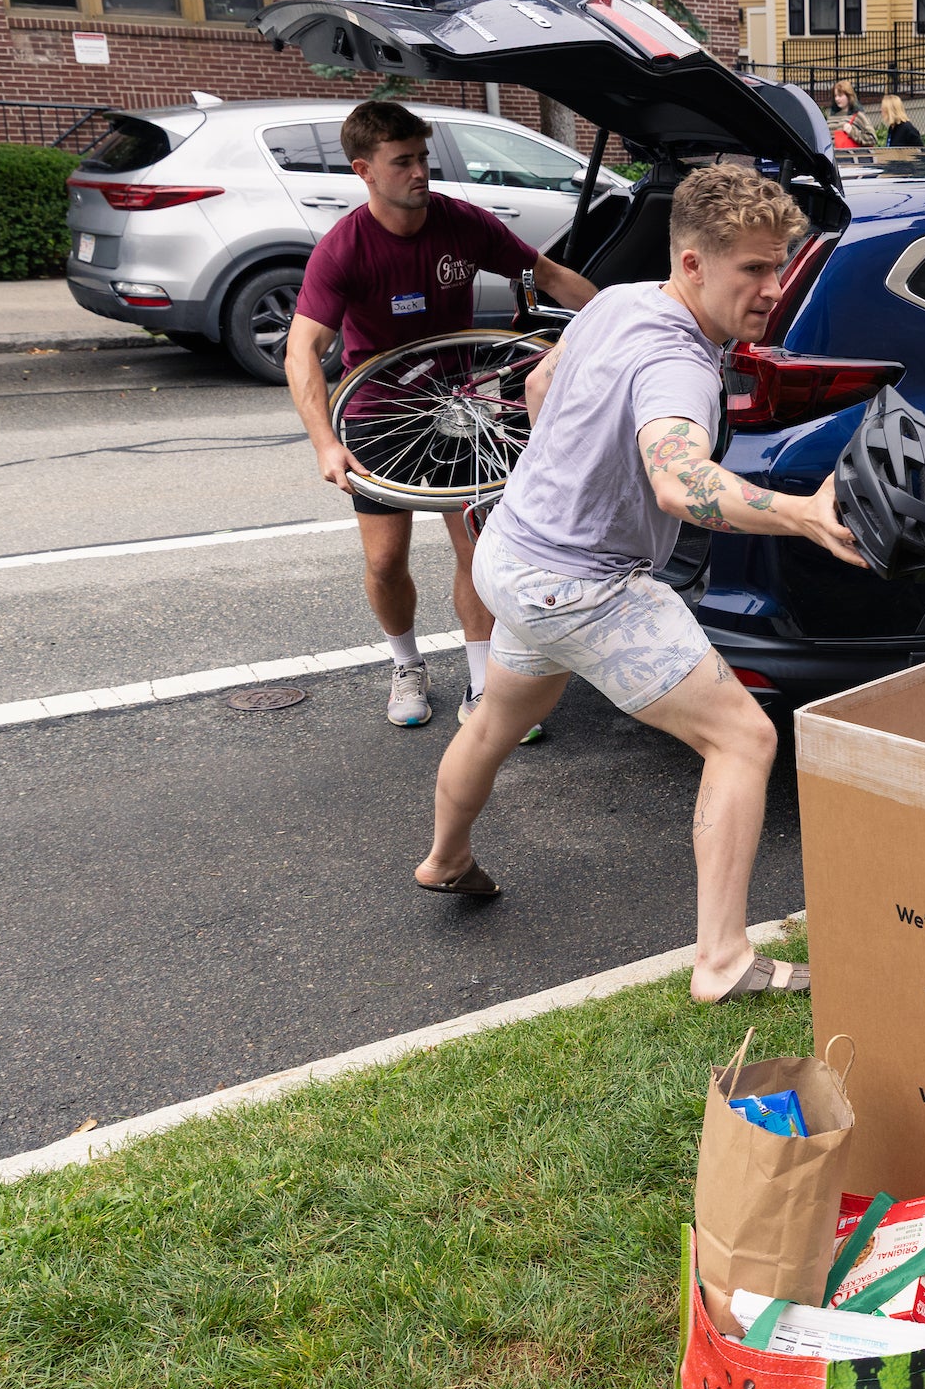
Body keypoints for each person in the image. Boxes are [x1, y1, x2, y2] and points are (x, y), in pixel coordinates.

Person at [416, 164, 864, 1004]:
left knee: (503, 714)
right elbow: (678, 480)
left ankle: (446, 858)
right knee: (745, 739)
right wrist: (802, 514)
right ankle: (724, 960)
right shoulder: (682, 364)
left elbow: (540, 384)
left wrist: (575, 473)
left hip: (510, 556)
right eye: (753, 270)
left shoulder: (621, 299)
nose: (774, 288)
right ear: (693, 264)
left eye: (780, 265)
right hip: (583, 587)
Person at [287, 100, 598, 730]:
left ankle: (484, 684)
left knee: (476, 548)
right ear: (364, 170)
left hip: (461, 406)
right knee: (384, 560)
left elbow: (552, 277)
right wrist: (324, 442)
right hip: (379, 410)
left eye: (423, 158)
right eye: (402, 162)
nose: (419, 172)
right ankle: (406, 663)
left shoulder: (463, 224)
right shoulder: (344, 249)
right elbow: (302, 350)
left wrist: (619, 323)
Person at [830, 81, 877, 150]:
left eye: (840, 95)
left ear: (849, 96)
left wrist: (852, 132)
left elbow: (872, 139)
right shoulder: (831, 117)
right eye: (835, 96)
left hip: (851, 158)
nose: (837, 99)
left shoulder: (859, 116)